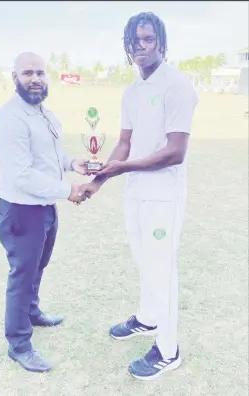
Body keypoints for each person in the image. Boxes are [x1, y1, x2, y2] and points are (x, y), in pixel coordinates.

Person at [80, 12, 198, 380]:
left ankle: (168, 350)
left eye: (148, 39)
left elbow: (175, 152)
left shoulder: (177, 86)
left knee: (163, 269)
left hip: (164, 197)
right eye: (134, 40)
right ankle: (148, 319)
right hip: (136, 195)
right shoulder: (131, 90)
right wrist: (99, 180)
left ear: (161, 43)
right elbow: (125, 143)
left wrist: (122, 168)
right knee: (145, 263)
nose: (140, 46)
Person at [0, 52, 89, 373]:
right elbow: (21, 174)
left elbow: (50, 156)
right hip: (21, 211)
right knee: (22, 274)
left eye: (40, 73)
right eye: (28, 73)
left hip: (44, 208)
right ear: (14, 78)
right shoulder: (10, 119)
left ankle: (32, 311)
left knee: (38, 266)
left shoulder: (43, 113)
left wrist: (72, 162)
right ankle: (19, 344)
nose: (35, 78)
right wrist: (68, 190)